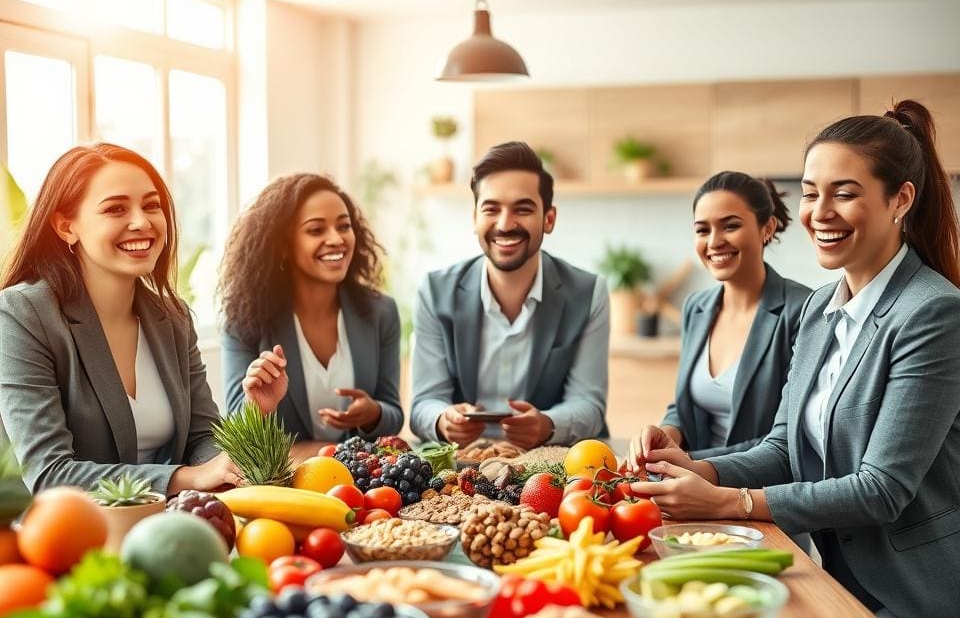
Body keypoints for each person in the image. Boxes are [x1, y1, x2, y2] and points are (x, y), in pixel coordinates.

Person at [628, 101, 960, 618]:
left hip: (919, 601)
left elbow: (882, 491)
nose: (820, 212)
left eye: (845, 193)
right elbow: (784, 446)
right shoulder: (819, 311)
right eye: (810, 192)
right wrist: (699, 469)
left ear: (900, 200)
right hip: (838, 578)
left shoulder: (931, 313)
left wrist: (731, 503)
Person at [0, 143, 238, 494]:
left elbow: (203, 437)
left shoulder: (173, 318)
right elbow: (49, 474)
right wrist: (183, 478)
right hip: (62, 537)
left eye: (152, 205)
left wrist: (223, 466)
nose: (142, 222)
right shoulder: (22, 314)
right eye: (115, 209)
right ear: (67, 227)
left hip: (168, 524)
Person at [410, 141, 609, 450]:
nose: (505, 224)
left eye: (523, 209)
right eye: (491, 209)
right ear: (474, 217)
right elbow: (424, 403)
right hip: (461, 463)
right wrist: (443, 420)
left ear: (549, 219)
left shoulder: (588, 293)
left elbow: (589, 405)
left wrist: (546, 425)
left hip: (549, 462)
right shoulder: (434, 292)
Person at [219, 174, 402, 461]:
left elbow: (393, 415)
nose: (336, 239)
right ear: (283, 245)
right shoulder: (245, 318)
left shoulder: (381, 312)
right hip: (285, 483)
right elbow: (237, 433)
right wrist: (257, 404)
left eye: (344, 226)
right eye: (316, 230)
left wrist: (372, 414)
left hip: (358, 483)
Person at [652, 171, 810, 460]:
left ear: (768, 228)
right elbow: (685, 406)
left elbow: (791, 436)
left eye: (730, 226)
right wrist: (667, 433)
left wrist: (691, 463)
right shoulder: (695, 308)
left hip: (756, 492)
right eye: (702, 230)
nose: (714, 242)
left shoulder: (802, 311)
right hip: (690, 480)